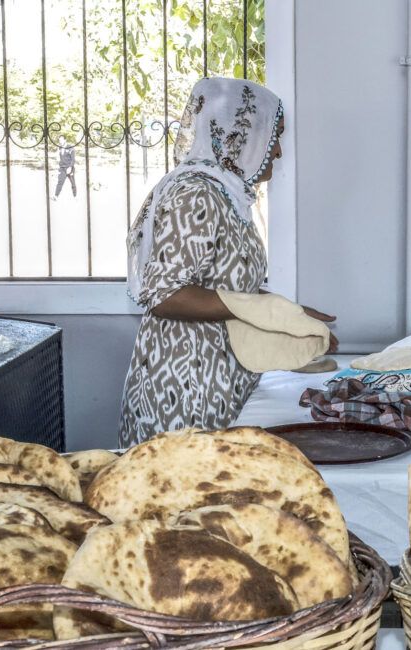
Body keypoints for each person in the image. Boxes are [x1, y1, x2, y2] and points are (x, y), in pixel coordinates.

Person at [120, 78, 337, 446]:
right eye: (274, 135)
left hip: (216, 374)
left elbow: (224, 285)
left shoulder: (225, 195)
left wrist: (289, 314)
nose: (278, 151)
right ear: (240, 133)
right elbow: (164, 294)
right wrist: (271, 312)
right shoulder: (194, 194)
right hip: (186, 385)